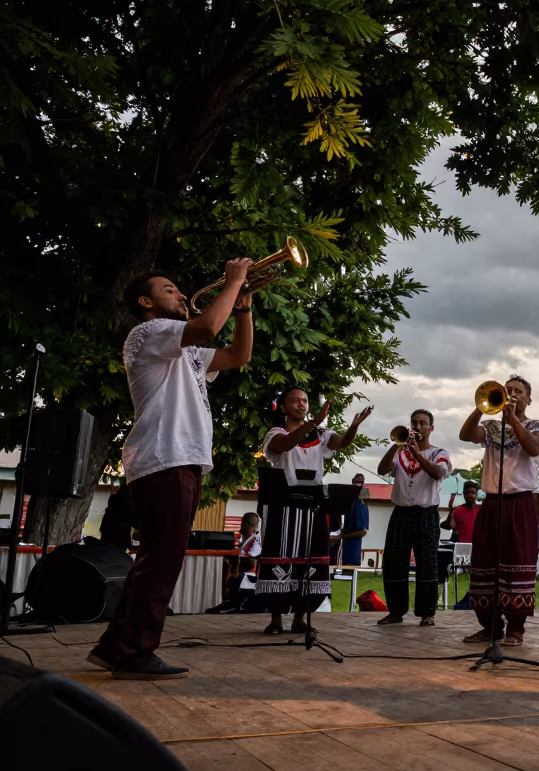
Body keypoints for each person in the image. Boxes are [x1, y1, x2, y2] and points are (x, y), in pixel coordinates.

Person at [88, 260, 255, 679]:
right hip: (166, 455)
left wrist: (244, 308)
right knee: (162, 562)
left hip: (181, 456)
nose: (180, 294)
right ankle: (135, 654)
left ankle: (116, 646)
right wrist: (233, 281)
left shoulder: (187, 349)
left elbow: (238, 354)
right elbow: (207, 327)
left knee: (156, 559)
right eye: (170, 290)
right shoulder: (147, 333)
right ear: (146, 302)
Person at [256, 388, 372, 634]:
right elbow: (286, 445)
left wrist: (353, 427)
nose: (301, 404)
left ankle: (300, 618)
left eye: (305, 400)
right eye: (295, 400)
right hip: (283, 505)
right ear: (284, 407)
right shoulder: (277, 433)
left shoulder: (320, 434)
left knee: (312, 561)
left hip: (313, 505)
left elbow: (341, 442)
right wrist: (315, 421)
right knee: (279, 558)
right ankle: (276, 619)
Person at [459, 376, 539, 647]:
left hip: (520, 503)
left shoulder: (537, 425)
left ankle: (516, 629)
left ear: (528, 398)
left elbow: (533, 447)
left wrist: (514, 422)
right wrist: (483, 406)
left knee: (517, 564)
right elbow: (465, 435)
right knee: (484, 564)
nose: (511, 395)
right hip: (492, 503)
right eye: (506, 390)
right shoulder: (489, 426)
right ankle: (490, 627)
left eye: (518, 391)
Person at [375, 409, 451, 626]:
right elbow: (382, 469)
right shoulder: (400, 453)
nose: (417, 427)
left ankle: (427, 613)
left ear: (431, 428)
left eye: (423, 423)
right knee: (394, 562)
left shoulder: (439, 453)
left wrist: (417, 453)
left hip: (426, 514)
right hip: (401, 513)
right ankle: (396, 611)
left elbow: (437, 473)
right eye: (414, 423)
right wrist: (397, 444)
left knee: (427, 563)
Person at [335, 473, 369, 567]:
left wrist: (345, 536)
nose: (357, 484)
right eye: (356, 482)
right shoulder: (351, 503)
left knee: (351, 573)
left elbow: (362, 532)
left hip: (353, 551)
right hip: (346, 550)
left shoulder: (360, 505)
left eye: (359, 482)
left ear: (362, 484)